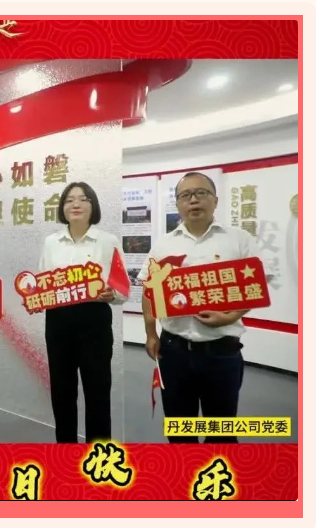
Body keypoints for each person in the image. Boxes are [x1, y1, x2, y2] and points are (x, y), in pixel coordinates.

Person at [138, 171, 262, 443]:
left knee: (222, 433)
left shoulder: (239, 240)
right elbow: (149, 291)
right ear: (178, 204)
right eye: (185, 195)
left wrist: (229, 317)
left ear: (215, 200)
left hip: (222, 351)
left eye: (201, 193)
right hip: (174, 351)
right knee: (180, 433)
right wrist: (150, 333)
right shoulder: (163, 244)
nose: (193, 200)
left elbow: (254, 288)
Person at [38, 181, 127, 444]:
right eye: (69, 200)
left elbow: (122, 288)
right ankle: (65, 450)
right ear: (62, 207)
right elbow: (42, 282)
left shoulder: (108, 241)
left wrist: (113, 294)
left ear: (93, 206)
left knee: (98, 390)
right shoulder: (51, 242)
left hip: (94, 320)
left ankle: (98, 454)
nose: (75, 204)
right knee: (62, 391)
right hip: (58, 322)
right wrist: (35, 297)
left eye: (83, 199)